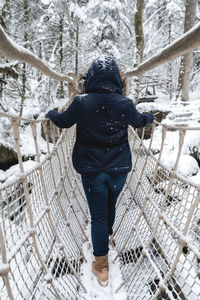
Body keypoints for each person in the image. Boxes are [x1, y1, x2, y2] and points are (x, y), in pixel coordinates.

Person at [45, 57, 155, 287]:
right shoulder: (125, 104)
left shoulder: (81, 102)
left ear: (91, 78)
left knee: (98, 215)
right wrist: (151, 117)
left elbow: (63, 122)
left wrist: (52, 114)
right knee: (109, 206)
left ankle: (102, 266)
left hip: (92, 169)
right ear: (117, 79)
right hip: (119, 168)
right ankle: (106, 236)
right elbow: (140, 122)